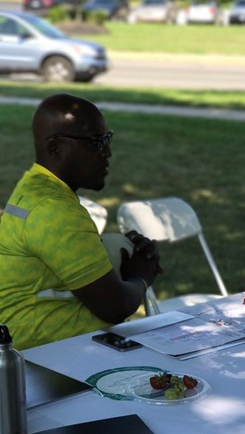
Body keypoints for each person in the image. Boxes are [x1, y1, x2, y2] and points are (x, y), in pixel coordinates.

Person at [0, 93, 161, 350]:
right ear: (56, 148)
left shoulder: (33, 186)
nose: (107, 152)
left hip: (45, 350)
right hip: (43, 362)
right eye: (96, 142)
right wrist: (142, 275)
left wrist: (121, 252)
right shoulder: (54, 210)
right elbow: (114, 306)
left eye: (107, 139)